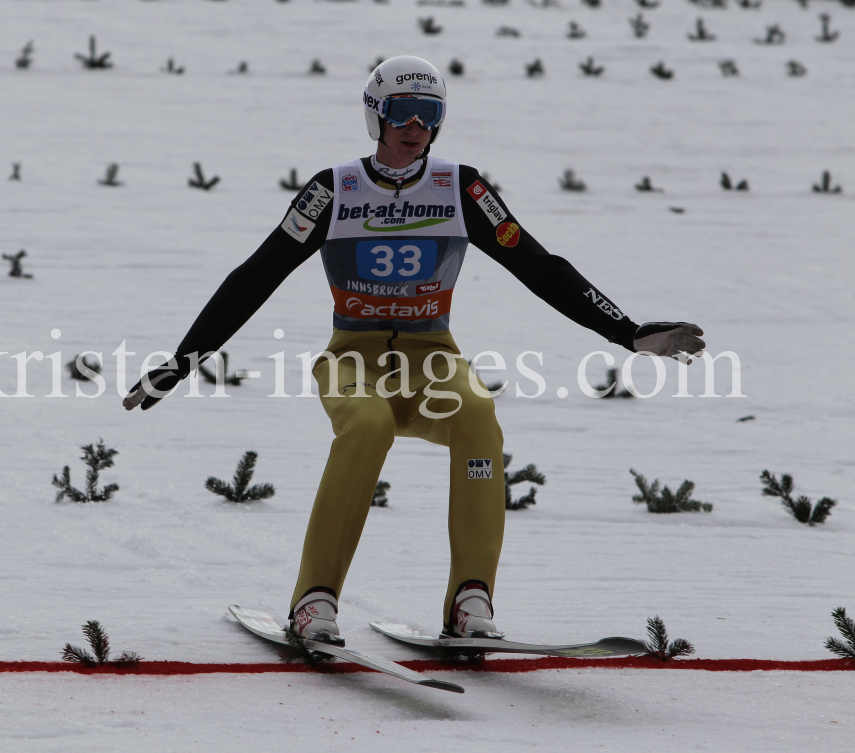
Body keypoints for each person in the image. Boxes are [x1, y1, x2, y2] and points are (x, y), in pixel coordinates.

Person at [123, 56, 705, 645]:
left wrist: (626, 331)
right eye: (403, 111)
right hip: (353, 360)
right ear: (376, 115)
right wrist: (184, 358)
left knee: (477, 413)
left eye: (430, 114)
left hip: (434, 362)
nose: (415, 126)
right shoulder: (333, 190)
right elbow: (256, 276)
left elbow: (539, 266)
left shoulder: (463, 188)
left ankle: (470, 598)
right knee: (368, 422)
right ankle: (314, 601)